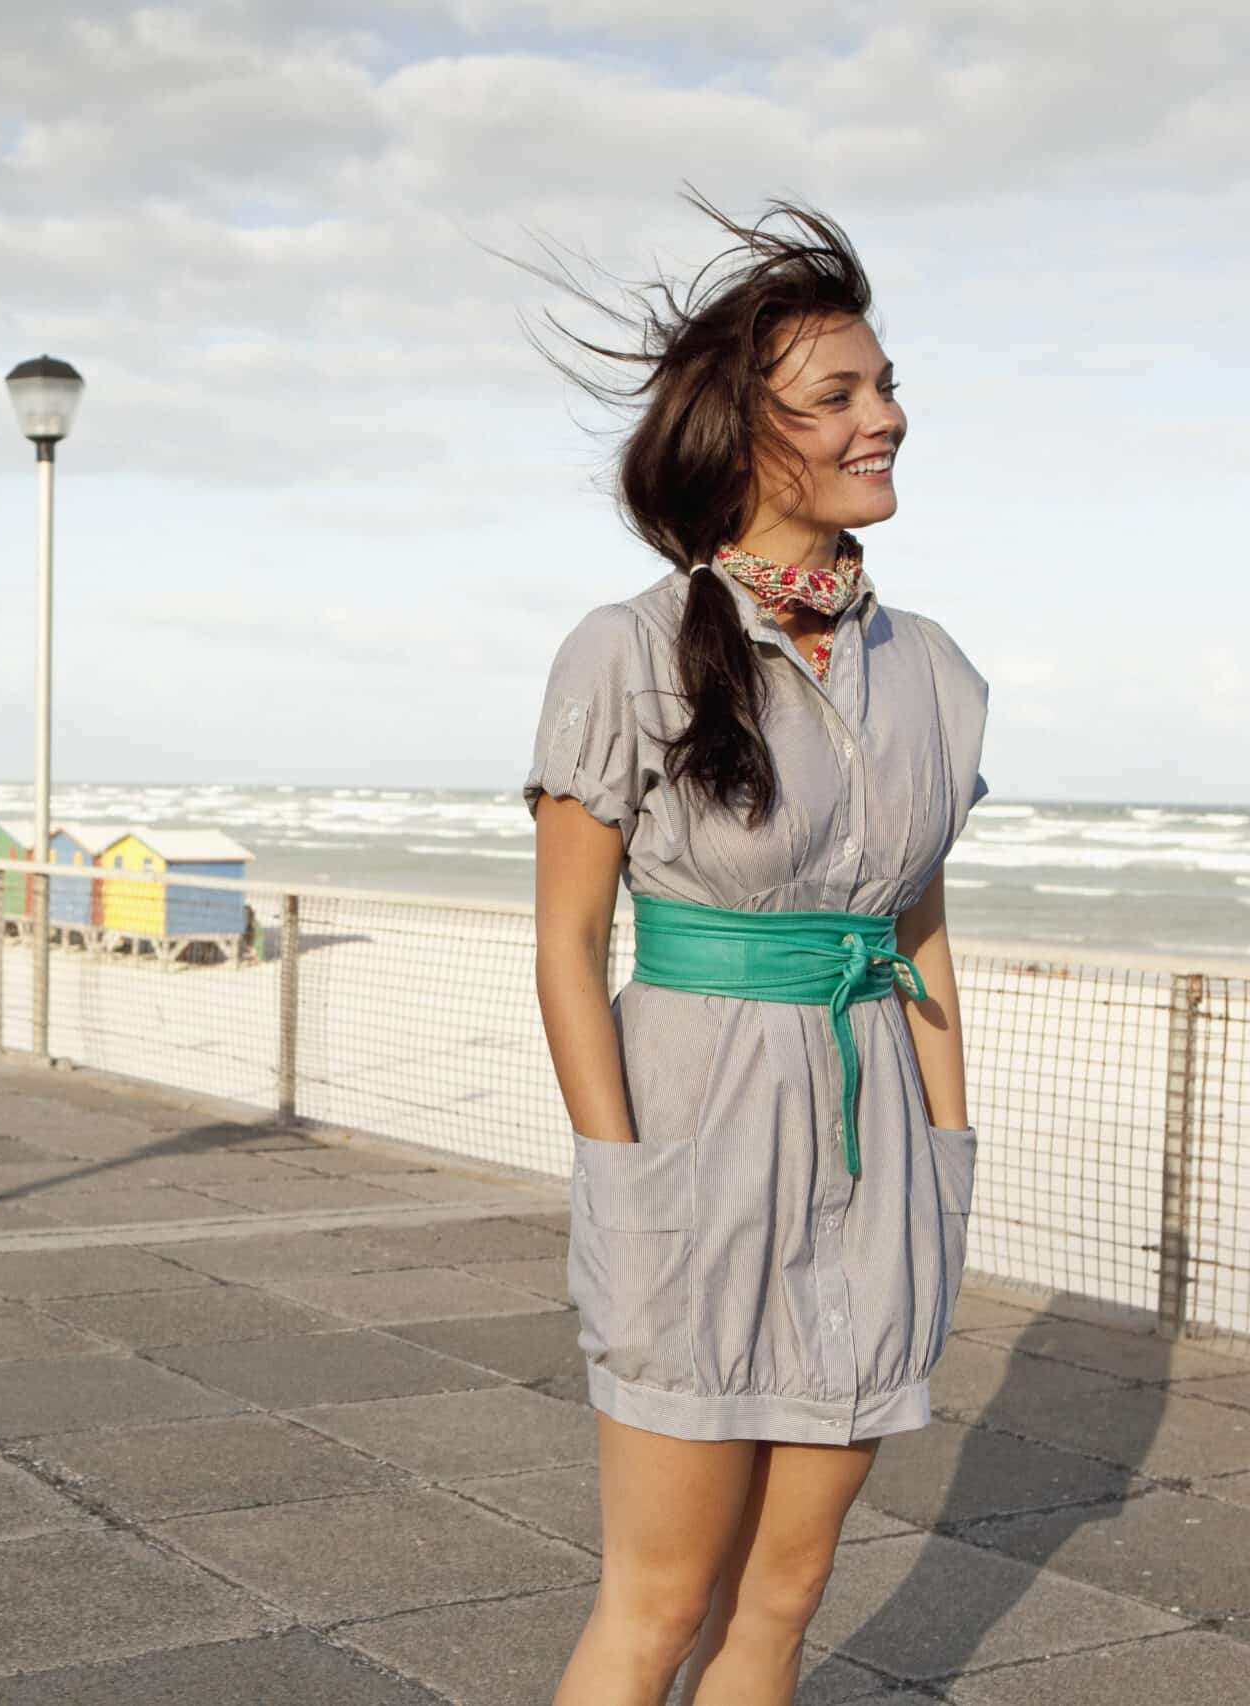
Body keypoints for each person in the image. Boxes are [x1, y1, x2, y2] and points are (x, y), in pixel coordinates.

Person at [519, 192, 991, 1705]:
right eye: (842, 393)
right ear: (748, 432)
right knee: (661, 1602)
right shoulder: (628, 648)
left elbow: (918, 935)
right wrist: (624, 1179)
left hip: (875, 1155)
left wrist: (946, 1147)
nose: (889, 417)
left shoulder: (939, 672)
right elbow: (568, 945)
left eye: (887, 382)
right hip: (696, 1143)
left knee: (784, 1597)